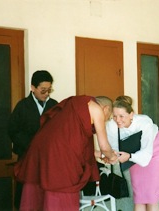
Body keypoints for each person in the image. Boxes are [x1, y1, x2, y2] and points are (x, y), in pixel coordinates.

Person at [14, 95, 118, 211]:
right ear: (105, 108)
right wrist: (112, 157)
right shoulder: (97, 109)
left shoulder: (75, 104)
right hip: (59, 156)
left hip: (41, 148)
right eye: (108, 118)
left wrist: (102, 155)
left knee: (37, 193)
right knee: (62, 189)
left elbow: (73, 146)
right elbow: (104, 146)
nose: (106, 120)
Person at [106, 96, 159, 211]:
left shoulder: (144, 122)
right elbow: (114, 148)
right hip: (132, 152)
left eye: (121, 116)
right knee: (140, 195)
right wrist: (112, 156)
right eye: (114, 116)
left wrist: (130, 156)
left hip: (154, 150)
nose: (117, 120)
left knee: (152, 195)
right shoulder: (112, 125)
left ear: (131, 114)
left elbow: (146, 154)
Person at [8, 70, 58, 209]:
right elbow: (13, 130)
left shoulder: (55, 105)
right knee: (26, 195)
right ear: (33, 88)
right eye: (43, 90)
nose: (47, 94)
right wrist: (30, 145)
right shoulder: (23, 106)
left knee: (46, 195)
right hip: (27, 156)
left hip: (48, 158)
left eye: (49, 90)